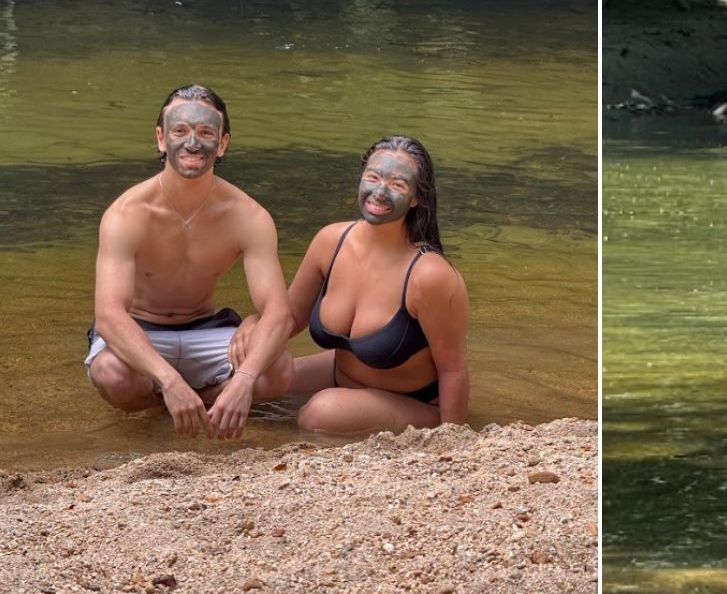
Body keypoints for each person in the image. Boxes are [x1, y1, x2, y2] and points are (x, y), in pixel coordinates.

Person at [87, 85, 295, 439]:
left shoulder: (248, 216)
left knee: (280, 370)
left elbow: (278, 313)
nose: (192, 143)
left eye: (205, 133)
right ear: (161, 138)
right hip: (143, 330)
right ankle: (178, 403)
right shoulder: (127, 214)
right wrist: (169, 381)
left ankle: (203, 407)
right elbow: (109, 316)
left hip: (206, 329)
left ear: (223, 143)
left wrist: (244, 381)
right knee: (111, 372)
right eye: (180, 131)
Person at [286, 135, 469, 434]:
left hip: (413, 402)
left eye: (397, 184)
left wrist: (451, 438)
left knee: (319, 412)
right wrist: (247, 344)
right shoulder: (330, 240)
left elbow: (453, 368)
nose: (380, 191)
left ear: (416, 198)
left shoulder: (430, 275)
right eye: (373, 177)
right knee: (263, 378)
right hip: (340, 373)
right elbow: (289, 316)